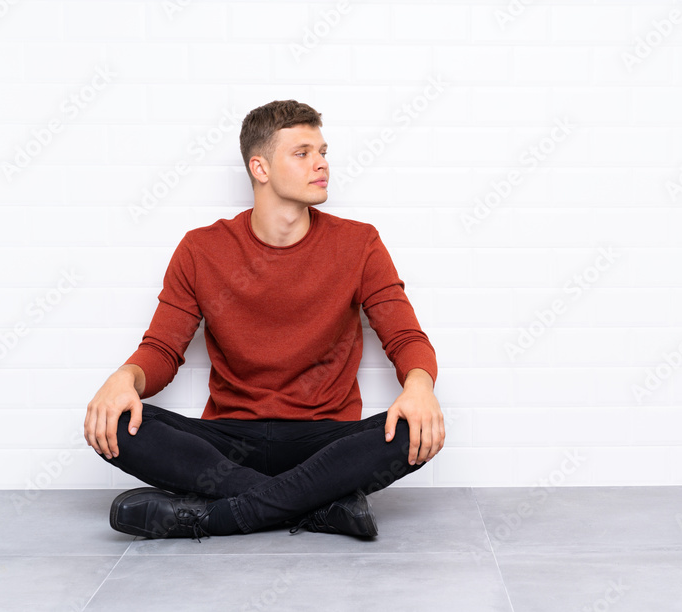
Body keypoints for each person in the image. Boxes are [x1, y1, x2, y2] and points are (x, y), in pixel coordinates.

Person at [83, 100, 444, 541]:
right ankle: (321, 506)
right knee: (117, 424)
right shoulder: (201, 249)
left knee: (412, 430)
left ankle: (214, 517)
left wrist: (419, 386)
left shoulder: (359, 243)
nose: (321, 164)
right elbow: (162, 349)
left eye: (322, 152)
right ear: (260, 168)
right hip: (229, 444)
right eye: (302, 153)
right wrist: (125, 378)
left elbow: (405, 336)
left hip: (324, 442)